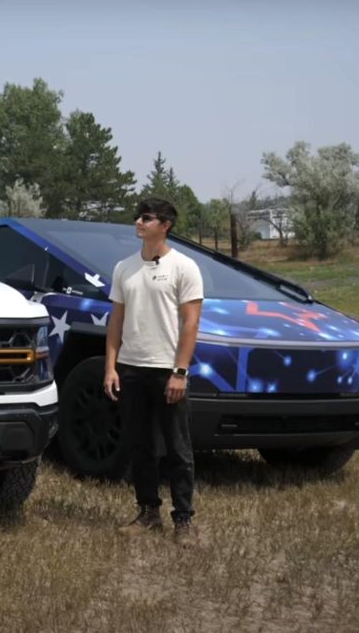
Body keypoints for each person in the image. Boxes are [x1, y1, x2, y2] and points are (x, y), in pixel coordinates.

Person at [103, 198, 204, 547]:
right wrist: (110, 367)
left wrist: (180, 371)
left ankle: (184, 519)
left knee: (178, 448)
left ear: (165, 225)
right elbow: (116, 321)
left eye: (147, 218)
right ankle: (148, 512)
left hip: (167, 370)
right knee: (139, 446)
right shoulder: (124, 268)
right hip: (131, 369)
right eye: (138, 216)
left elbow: (191, 323)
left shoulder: (185, 267)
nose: (139, 222)